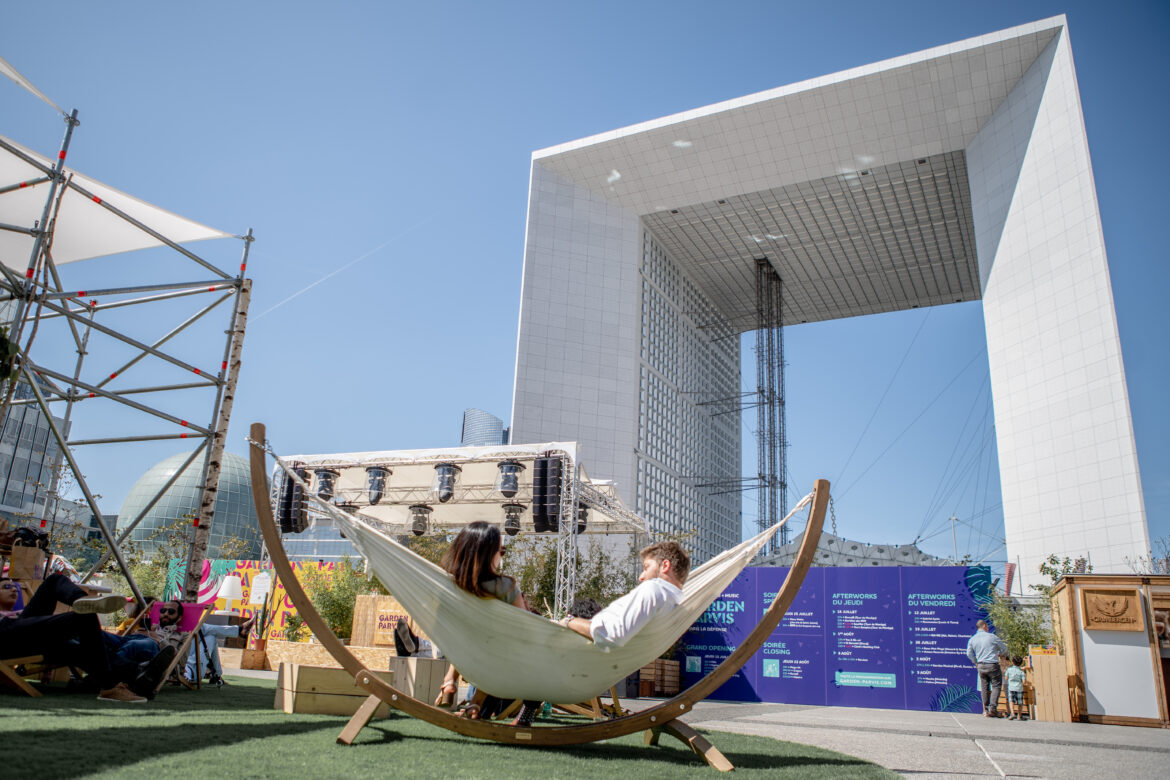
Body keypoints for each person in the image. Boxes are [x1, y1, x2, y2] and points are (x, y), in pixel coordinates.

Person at [0, 574, 166, 702]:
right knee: (84, 617)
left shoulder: (20, 613)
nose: (14, 589)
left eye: (14, 587)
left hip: (29, 635)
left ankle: (137, 671)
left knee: (56, 582)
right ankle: (111, 685)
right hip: (6, 635)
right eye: (6, 586)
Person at [432, 522, 533, 723]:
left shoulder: (448, 586)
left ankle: (449, 680)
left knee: (468, 638)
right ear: (489, 554)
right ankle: (476, 701)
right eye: (500, 551)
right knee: (500, 647)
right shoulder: (506, 587)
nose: (501, 556)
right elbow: (525, 627)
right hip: (498, 657)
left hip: (464, 650)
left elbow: (442, 622)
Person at [561, 541, 690, 649]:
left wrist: (569, 621)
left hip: (576, 644)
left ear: (665, 565)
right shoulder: (676, 602)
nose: (641, 577)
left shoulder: (654, 589)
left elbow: (612, 636)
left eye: (646, 568)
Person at [966, 619, 1008, 717]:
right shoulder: (992, 637)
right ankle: (993, 708)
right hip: (992, 664)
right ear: (984, 626)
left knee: (984, 687)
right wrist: (1000, 654)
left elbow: (969, 653)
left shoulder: (972, 639)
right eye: (987, 626)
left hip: (981, 665)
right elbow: (1004, 648)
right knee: (996, 686)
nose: (988, 628)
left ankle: (987, 709)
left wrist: (975, 661)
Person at [1004, 655, 1027, 720]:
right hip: (1019, 688)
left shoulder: (1009, 670)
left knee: (1011, 701)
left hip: (1011, 688)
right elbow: (1024, 682)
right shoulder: (1021, 672)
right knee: (1020, 703)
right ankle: (1019, 715)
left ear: (1013, 662)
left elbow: (1006, 678)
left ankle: (1012, 713)